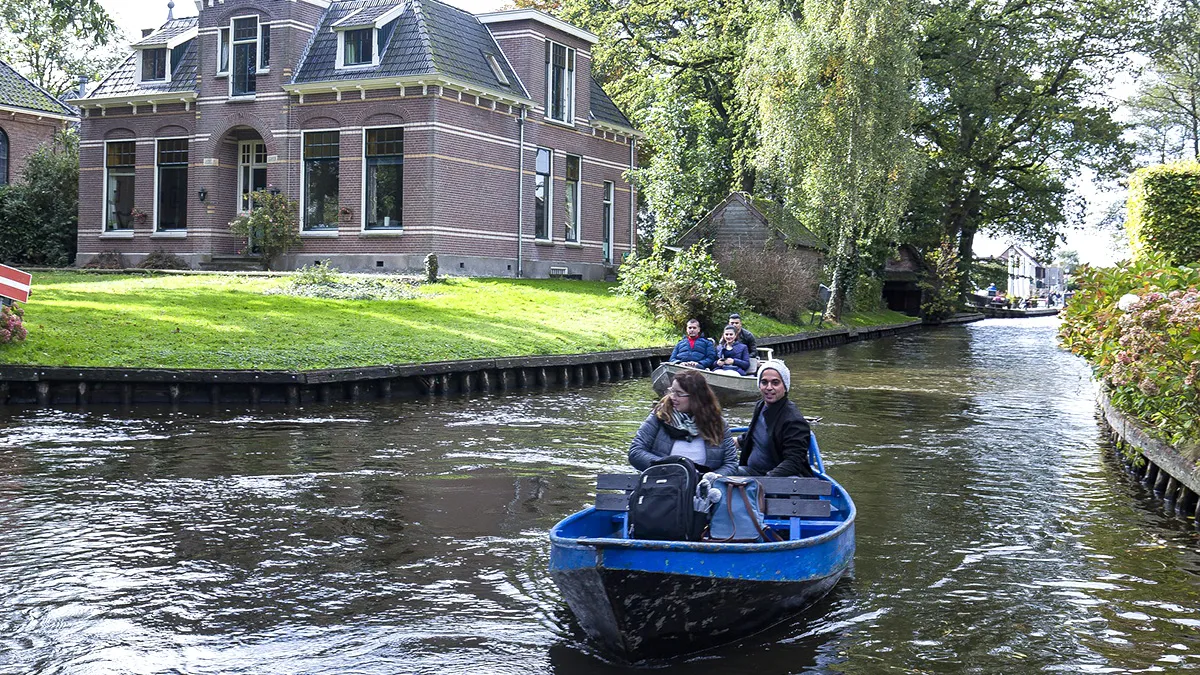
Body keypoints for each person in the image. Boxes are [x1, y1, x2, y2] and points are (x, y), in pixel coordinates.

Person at [628, 370, 739, 475]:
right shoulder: (659, 416)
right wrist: (669, 469)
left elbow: (731, 463)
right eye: (672, 391)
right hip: (663, 482)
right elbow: (635, 452)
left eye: (679, 393)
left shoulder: (718, 424)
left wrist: (712, 478)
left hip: (704, 485)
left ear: (696, 397)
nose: (672, 397)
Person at [735, 360, 814, 477]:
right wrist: (725, 442)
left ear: (785, 386)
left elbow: (794, 462)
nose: (769, 387)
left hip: (782, 478)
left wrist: (767, 480)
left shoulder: (794, 420)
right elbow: (755, 435)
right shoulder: (760, 405)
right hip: (753, 472)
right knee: (722, 472)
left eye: (775, 383)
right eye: (764, 382)